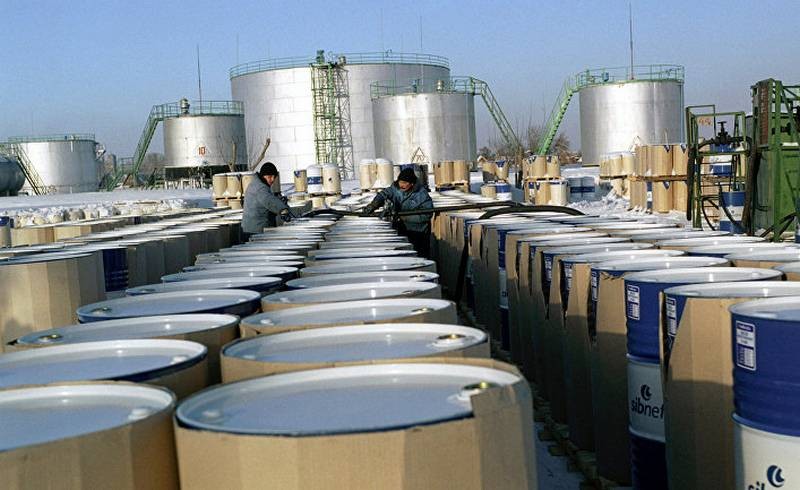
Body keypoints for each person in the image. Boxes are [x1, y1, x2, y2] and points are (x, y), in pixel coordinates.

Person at [363, 168, 433, 257]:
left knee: (419, 255)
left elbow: (426, 215)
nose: (402, 185)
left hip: (419, 231)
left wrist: (404, 217)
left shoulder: (421, 194)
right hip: (401, 229)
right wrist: (374, 204)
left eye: (405, 183)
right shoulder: (395, 189)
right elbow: (383, 194)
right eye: (400, 182)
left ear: (412, 183)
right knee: (403, 254)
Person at [241, 161, 293, 239]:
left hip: (251, 228)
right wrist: (283, 209)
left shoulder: (257, 184)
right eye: (269, 177)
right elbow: (269, 201)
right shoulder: (260, 188)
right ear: (263, 176)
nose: (272, 179)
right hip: (255, 230)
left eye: (274, 177)